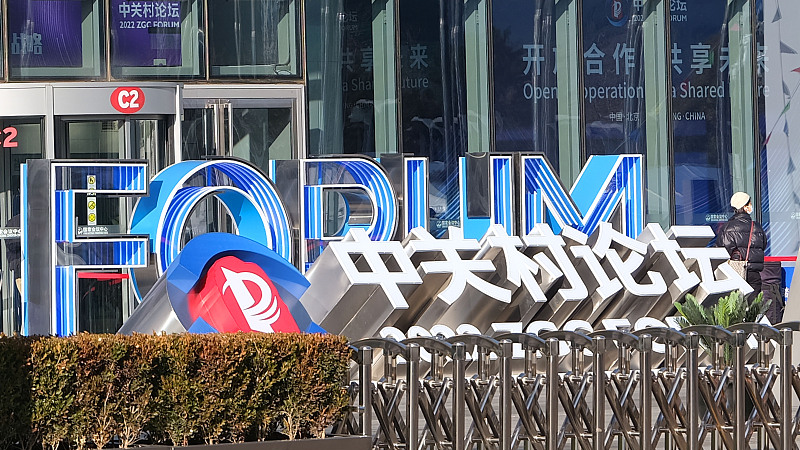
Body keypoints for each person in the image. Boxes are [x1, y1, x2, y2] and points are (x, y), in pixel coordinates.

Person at [717, 192, 767, 297]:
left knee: (735, 308)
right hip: (754, 273)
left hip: (735, 272)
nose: (751, 206)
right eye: (749, 204)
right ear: (744, 207)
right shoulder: (756, 226)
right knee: (753, 308)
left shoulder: (728, 227)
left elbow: (721, 251)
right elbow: (763, 245)